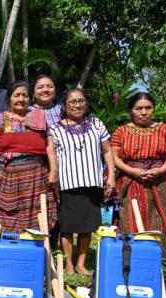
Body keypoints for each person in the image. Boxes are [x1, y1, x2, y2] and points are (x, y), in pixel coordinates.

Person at [47, 89, 115, 275]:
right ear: (64, 105)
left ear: (86, 104)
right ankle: (69, 264)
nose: (77, 105)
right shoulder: (55, 129)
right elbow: (52, 154)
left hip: (93, 182)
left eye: (80, 101)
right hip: (68, 184)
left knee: (88, 226)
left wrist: (111, 176)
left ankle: (81, 264)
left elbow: (107, 151)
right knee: (68, 227)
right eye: (72, 102)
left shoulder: (96, 124)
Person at [111, 92, 166, 257]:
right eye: (138, 108)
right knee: (131, 216)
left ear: (153, 109)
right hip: (131, 179)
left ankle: (164, 259)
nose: (143, 112)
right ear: (131, 110)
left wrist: (161, 170)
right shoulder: (121, 131)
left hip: (159, 180)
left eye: (148, 108)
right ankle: (130, 256)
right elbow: (114, 156)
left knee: (162, 216)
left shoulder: (163, 129)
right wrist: (132, 171)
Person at [0, 81, 58, 232]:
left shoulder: (39, 117)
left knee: (39, 212)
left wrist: (54, 171)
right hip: (10, 175)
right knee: (9, 214)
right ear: (9, 99)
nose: (21, 99)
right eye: (16, 95)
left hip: (37, 175)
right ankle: (11, 248)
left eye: (25, 95)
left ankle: (36, 250)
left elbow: (49, 145)